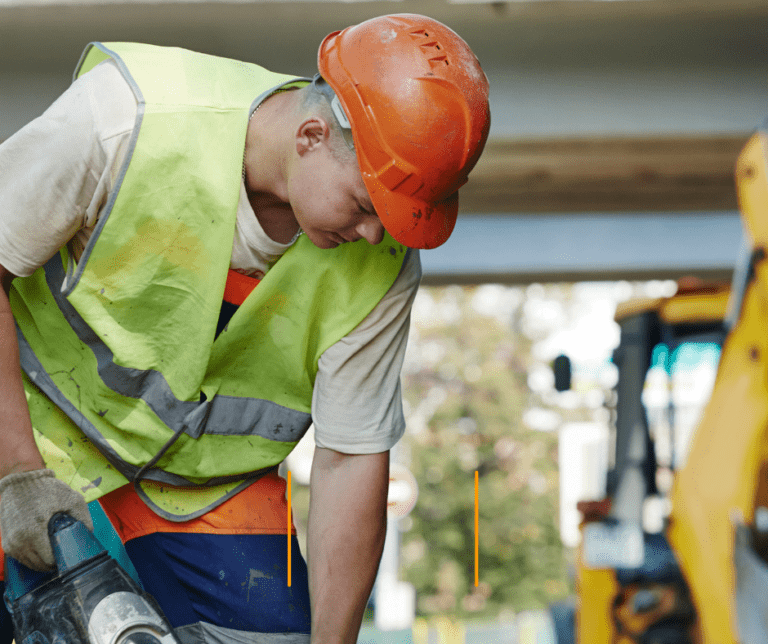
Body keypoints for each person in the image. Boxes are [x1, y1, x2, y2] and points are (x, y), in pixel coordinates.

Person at [0, 13, 490, 644]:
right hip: (34, 447)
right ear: (312, 135)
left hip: (202, 489)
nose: (375, 234)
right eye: (367, 205)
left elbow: (349, 457)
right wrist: (18, 473)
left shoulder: (383, 265)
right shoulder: (131, 117)